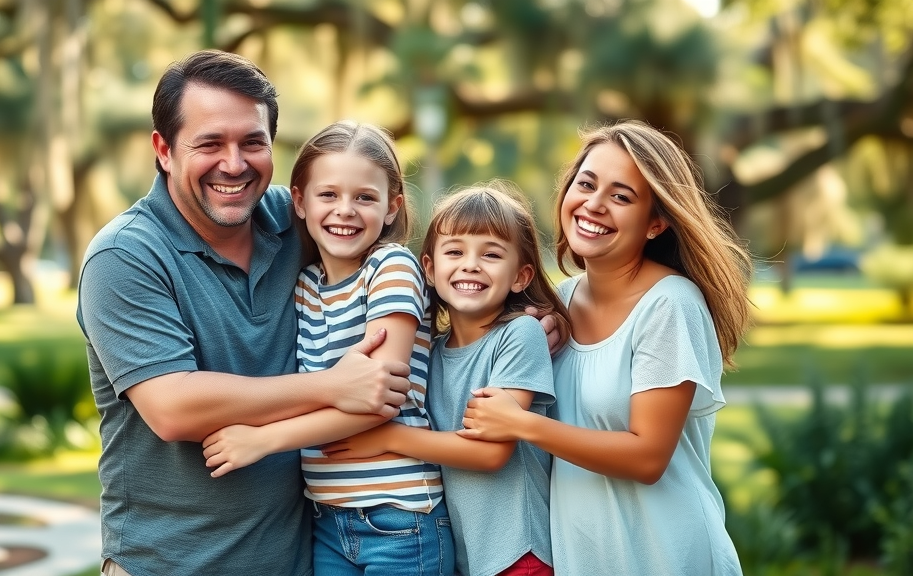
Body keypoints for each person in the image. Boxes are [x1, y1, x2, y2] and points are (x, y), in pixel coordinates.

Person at [76, 51, 416, 576]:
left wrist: (519, 315)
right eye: (209, 143)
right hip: (168, 565)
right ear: (163, 150)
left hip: (298, 558)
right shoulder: (125, 255)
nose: (234, 165)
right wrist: (331, 386)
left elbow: (424, 267)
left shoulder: (299, 218)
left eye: (252, 142)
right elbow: (174, 409)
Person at [459, 120, 751, 576]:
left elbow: (648, 456)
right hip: (585, 558)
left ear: (656, 223)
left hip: (666, 556)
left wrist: (521, 424)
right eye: (586, 184)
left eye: (621, 196)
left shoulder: (669, 305)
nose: (593, 205)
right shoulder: (561, 303)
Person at [201, 120, 455, 575]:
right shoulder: (306, 286)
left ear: (393, 207)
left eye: (365, 197)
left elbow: (381, 398)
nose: (346, 210)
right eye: (328, 195)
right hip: (328, 520)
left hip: (400, 518)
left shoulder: (390, 267)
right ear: (298, 201)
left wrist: (262, 439)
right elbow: (323, 388)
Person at [322, 182, 572, 576]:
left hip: (518, 552)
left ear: (521, 276)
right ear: (430, 268)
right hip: (464, 552)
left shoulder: (520, 335)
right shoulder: (431, 353)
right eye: (454, 251)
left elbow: (490, 453)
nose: (471, 264)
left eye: (491, 254)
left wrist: (387, 439)